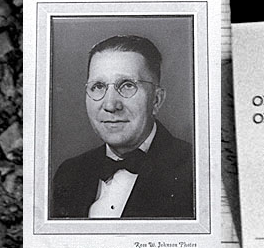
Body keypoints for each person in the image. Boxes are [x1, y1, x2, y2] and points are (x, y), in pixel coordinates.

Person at [50, 35, 195, 219]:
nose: (110, 105)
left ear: (156, 100)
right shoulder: (69, 174)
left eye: (127, 85)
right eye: (98, 86)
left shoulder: (194, 171)